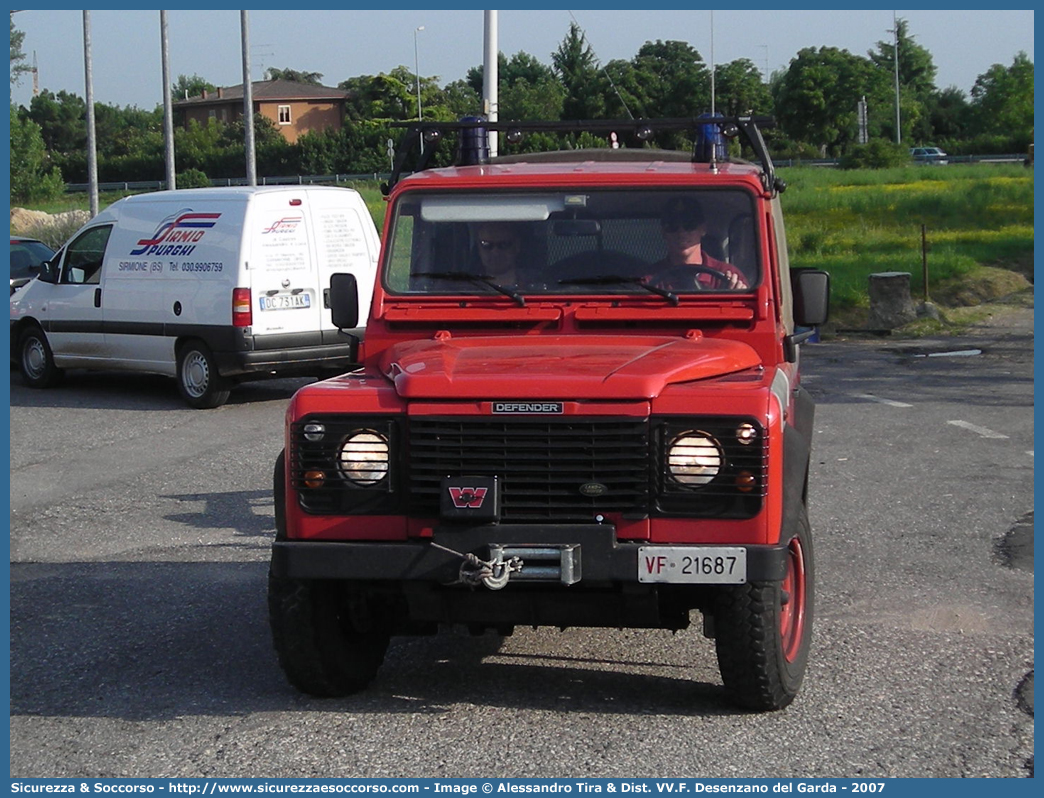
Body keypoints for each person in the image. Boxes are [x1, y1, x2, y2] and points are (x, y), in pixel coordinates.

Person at [648, 196, 748, 290]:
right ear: (664, 232)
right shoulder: (650, 278)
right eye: (672, 227)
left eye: (690, 226)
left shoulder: (727, 274)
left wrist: (736, 292)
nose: (681, 233)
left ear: (703, 229)